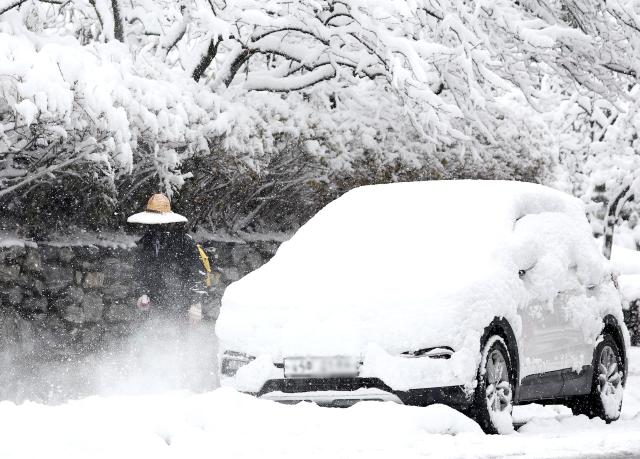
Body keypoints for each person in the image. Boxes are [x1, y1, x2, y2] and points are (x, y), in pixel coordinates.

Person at [127, 193, 210, 323]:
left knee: (179, 341)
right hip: (154, 306)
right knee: (153, 339)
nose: (155, 225)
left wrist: (195, 303)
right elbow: (140, 271)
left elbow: (197, 272)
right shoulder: (146, 242)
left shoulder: (184, 242)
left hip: (182, 305)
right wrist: (142, 293)